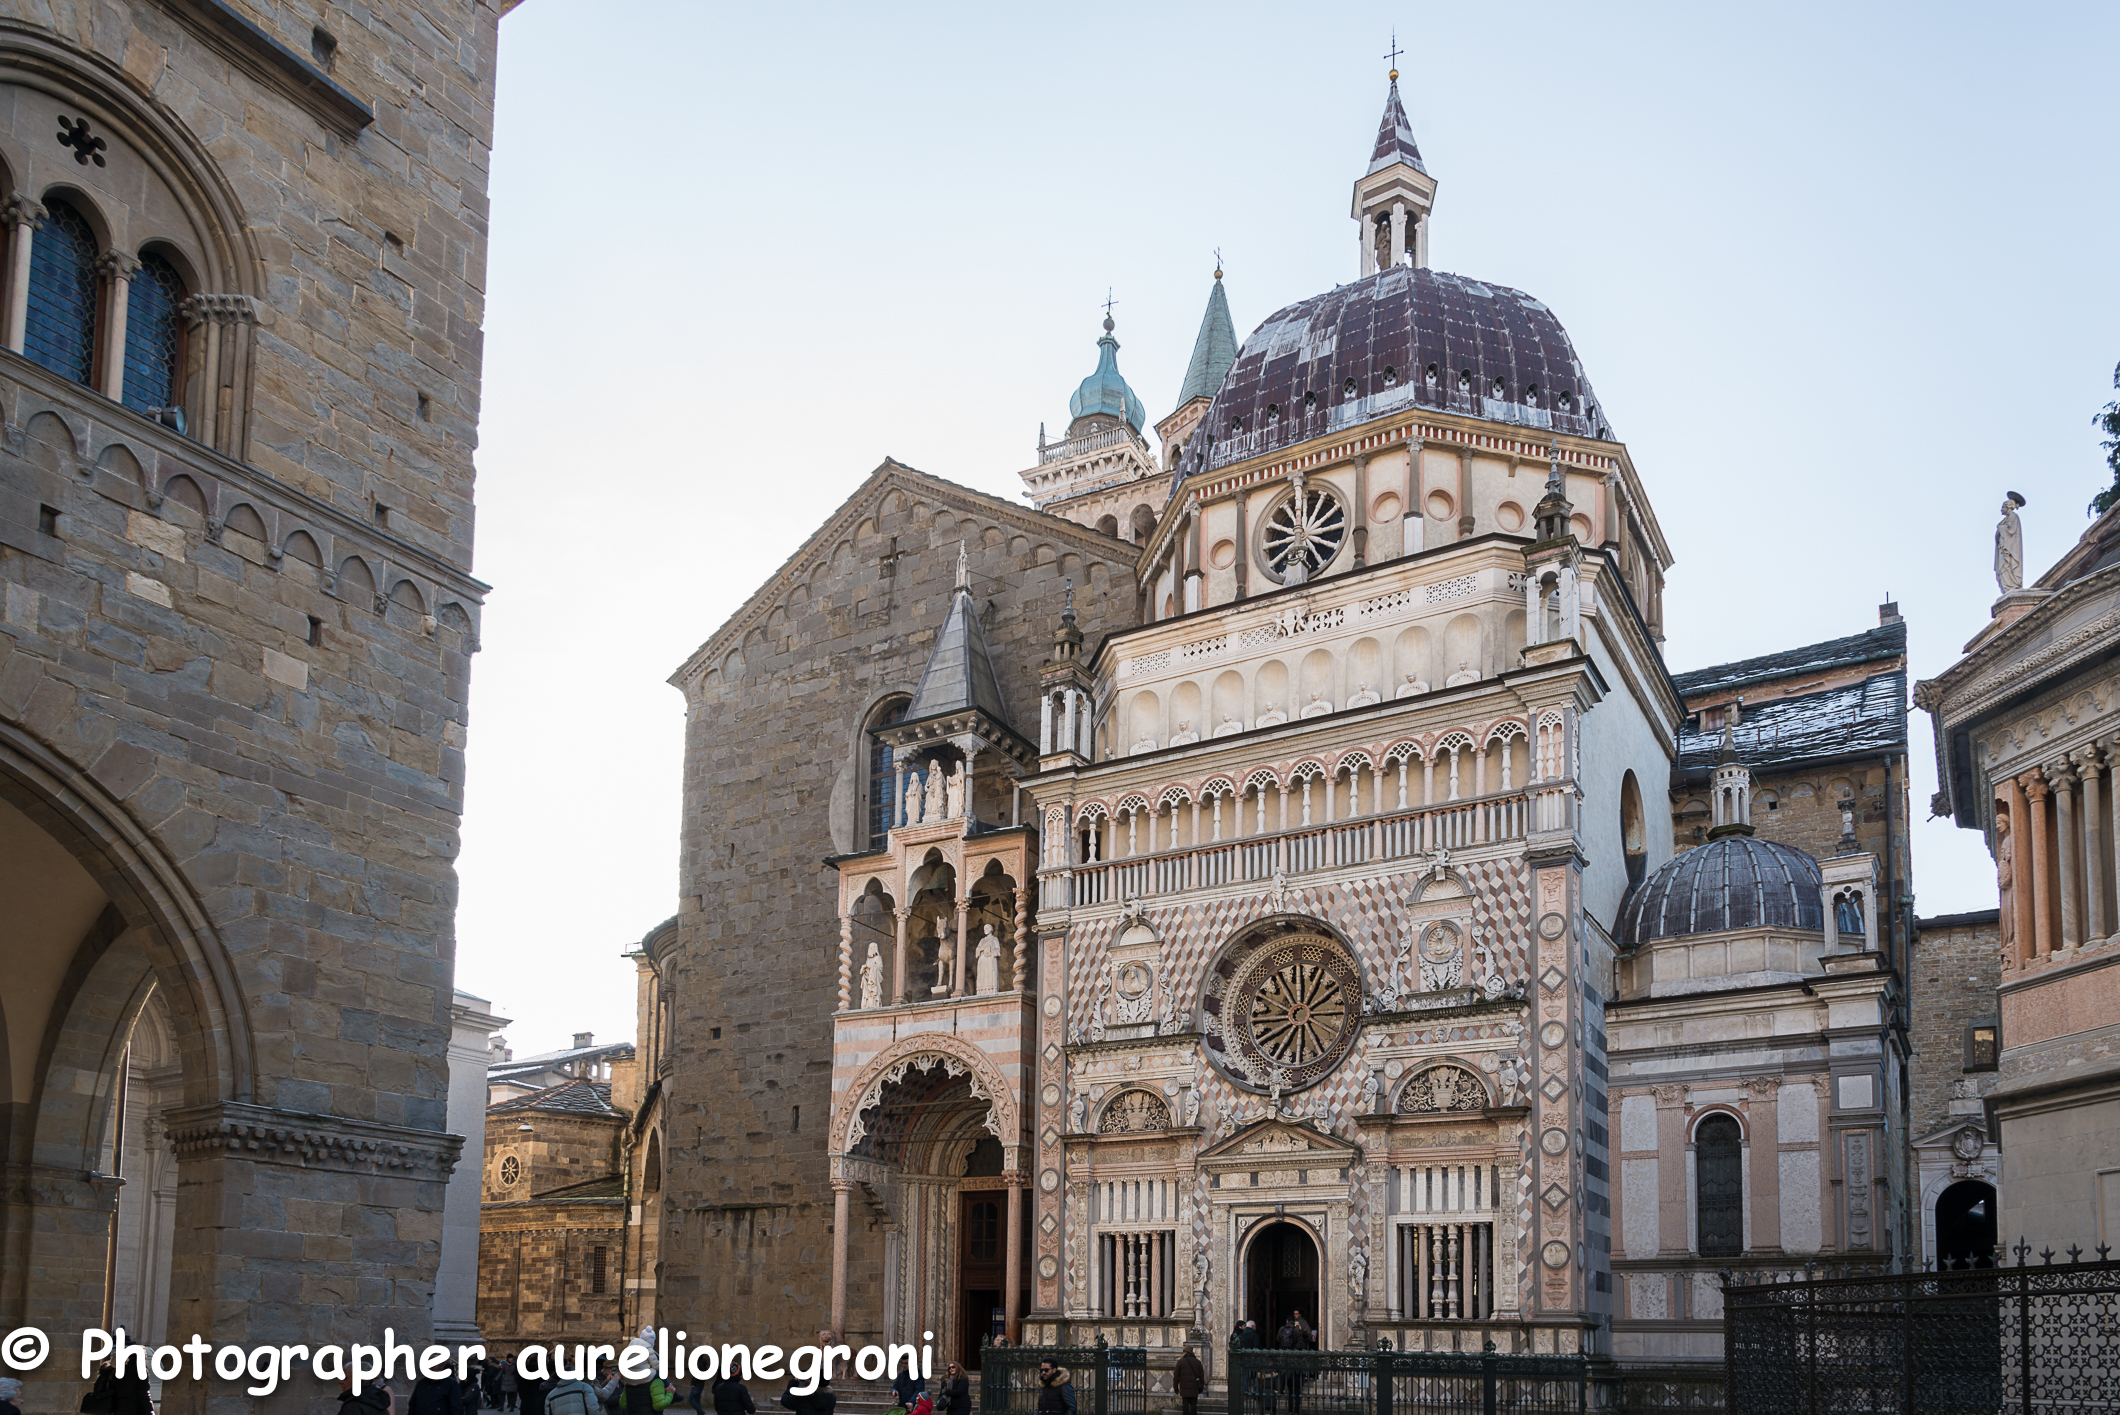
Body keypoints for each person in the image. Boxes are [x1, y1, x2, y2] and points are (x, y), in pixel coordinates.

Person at [1173, 1347, 1205, 1415]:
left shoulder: (1180, 1362)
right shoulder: (1197, 1362)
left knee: (1185, 1405)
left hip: (1184, 1388)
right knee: (1193, 1405)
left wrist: (1175, 1387)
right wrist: (1201, 1387)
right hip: (1194, 1388)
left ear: (1185, 1352)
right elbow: (1202, 1377)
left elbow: (1176, 1376)